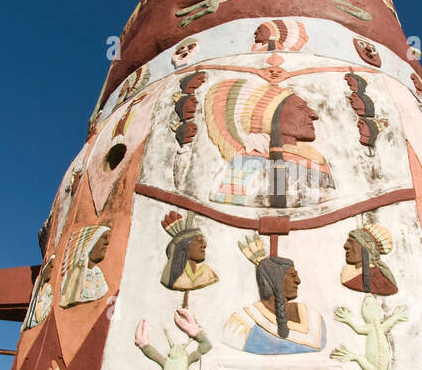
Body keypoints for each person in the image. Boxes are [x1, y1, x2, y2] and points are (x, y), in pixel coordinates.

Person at [204, 77, 334, 209]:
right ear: (271, 117)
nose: (313, 114)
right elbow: (233, 211)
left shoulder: (316, 160)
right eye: (301, 108)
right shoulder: (244, 164)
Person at [224, 247, 325, 354]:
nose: (298, 281)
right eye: (293, 276)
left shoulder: (313, 318)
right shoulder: (243, 322)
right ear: (275, 280)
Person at [160, 212, 218, 293]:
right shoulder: (175, 279)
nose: (204, 245)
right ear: (184, 246)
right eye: (199, 241)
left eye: (203, 241)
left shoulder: (208, 273)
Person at [341, 217, 398, 296]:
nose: (346, 246)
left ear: (368, 248)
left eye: (351, 242)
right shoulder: (347, 273)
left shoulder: (381, 279)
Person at [59, 225, 111, 308]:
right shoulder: (74, 276)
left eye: (109, 238)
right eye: (104, 237)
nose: (107, 242)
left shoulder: (98, 277)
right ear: (90, 243)